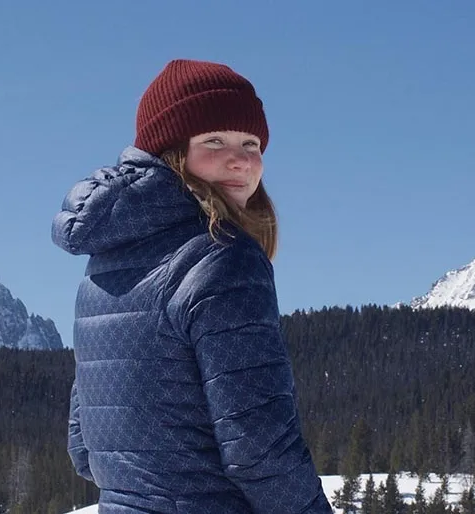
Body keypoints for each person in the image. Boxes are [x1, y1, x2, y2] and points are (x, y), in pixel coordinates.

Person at [52, 59, 332, 513]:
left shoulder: (105, 263)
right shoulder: (224, 258)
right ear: (171, 151)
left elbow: (84, 448)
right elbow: (259, 446)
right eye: (214, 141)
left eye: (252, 143)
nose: (240, 158)